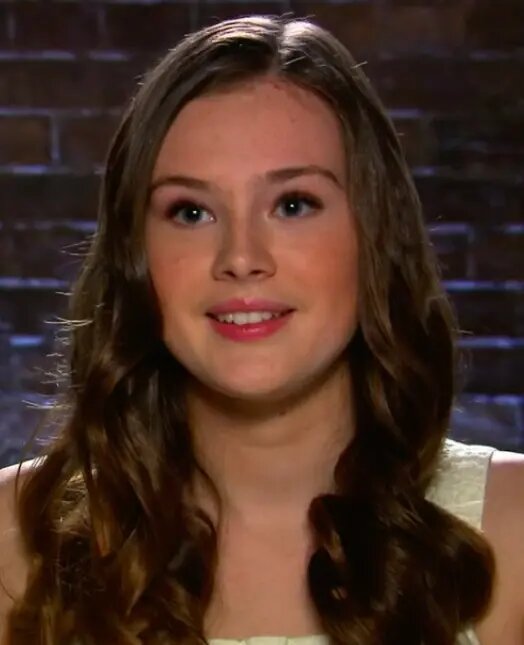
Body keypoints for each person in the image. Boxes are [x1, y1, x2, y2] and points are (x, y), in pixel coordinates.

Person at [0, 12, 522, 645]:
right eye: (191, 212)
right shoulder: (14, 541)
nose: (241, 257)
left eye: (293, 204)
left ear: (374, 235)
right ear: (135, 255)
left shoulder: (511, 532)